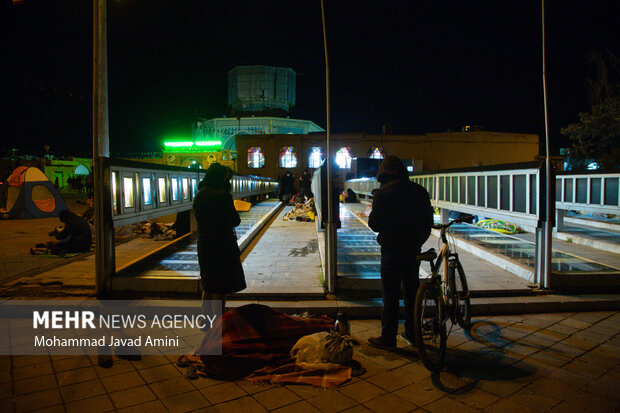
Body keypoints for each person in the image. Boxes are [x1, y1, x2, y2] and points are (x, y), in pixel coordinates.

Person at [367, 155, 433, 349]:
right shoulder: (420, 191)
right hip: (413, 249)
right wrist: (417, 241)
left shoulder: (383, 193)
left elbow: (375, 224)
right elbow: (427, 223)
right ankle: (413, 333)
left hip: (391, 250)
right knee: (412, 293)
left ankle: (388, 338)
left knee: (390, 295)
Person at [193, 163, 246, 316]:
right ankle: (218, 319)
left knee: (208, 281)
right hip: (222, 243)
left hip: (204, 242)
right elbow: (235, 220)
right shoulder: (223, 195)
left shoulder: (200, 194)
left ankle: (205, 316)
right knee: (220, 283)